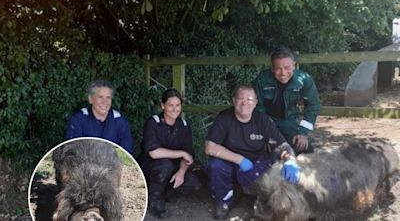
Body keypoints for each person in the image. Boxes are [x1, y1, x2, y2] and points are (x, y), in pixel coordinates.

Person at [205, 84, 300, 220]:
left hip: (256, 160)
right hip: (230, 161)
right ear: (233, 101)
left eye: (249, 99)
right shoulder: (224, 118)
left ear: (255, 103)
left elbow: (281, 145)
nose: (245, 103)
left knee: (270, 177)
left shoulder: (263, 120)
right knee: (215, 166)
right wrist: (240, 160)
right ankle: (224, 201)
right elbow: (209, 147)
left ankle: (253, 197)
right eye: (240, 99)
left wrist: (290, 159)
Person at [138, 88, 201, 219]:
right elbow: (154, 153)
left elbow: (188, 156)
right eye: (170, 105)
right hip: (151, 165)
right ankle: (154, 201)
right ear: (162, 105)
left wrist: (181, 173)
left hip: (173, 167)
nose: (174, 109)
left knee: (193, 183)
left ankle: (167, 194)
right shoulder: (153, 122)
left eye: (177, 105)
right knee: (165, 166)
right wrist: (181, 153)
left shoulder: (184, 125)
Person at [253, 47, 320, 155]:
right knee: (264, 149)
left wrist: (303, 133)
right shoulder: (262, 79)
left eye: (287, 67)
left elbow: (313, 106)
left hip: (290, 121)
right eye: (278, 68)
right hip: (268, 121)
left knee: (305, 149)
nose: (283, 73)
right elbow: (257, 107)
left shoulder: (304, 79)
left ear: (294, 65)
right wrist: (264, 130)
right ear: (272, 69)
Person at [65, 80, 134, 154]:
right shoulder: (79, 119)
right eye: (100, 97)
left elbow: (126, 152)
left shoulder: (120, 121)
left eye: (108, 98)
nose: (105, 102)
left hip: (111, 163)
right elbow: (71, 149)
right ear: (90, 99)